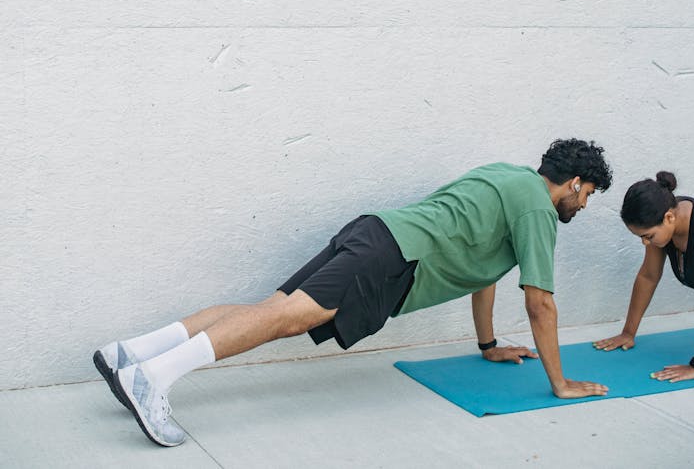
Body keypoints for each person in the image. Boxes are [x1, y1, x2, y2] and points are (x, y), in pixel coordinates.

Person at [94, 138, 612, 447]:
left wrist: (486, 344)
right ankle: (153, 379)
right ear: (573, 183)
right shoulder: (539, 210)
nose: (584, 206)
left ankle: (132, 354)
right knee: (286, 318)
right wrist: (560, 382)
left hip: (374, 232)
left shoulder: (508, 176)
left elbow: (485, 275)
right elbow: (540, 301)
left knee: (274, 309)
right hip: (392, 257)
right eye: (587, 195)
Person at [594, 171, 694, 382]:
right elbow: (648, 277)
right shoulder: (664, 223)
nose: (645, 243)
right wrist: (628, 332)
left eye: (647, 236)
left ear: (669, 217)